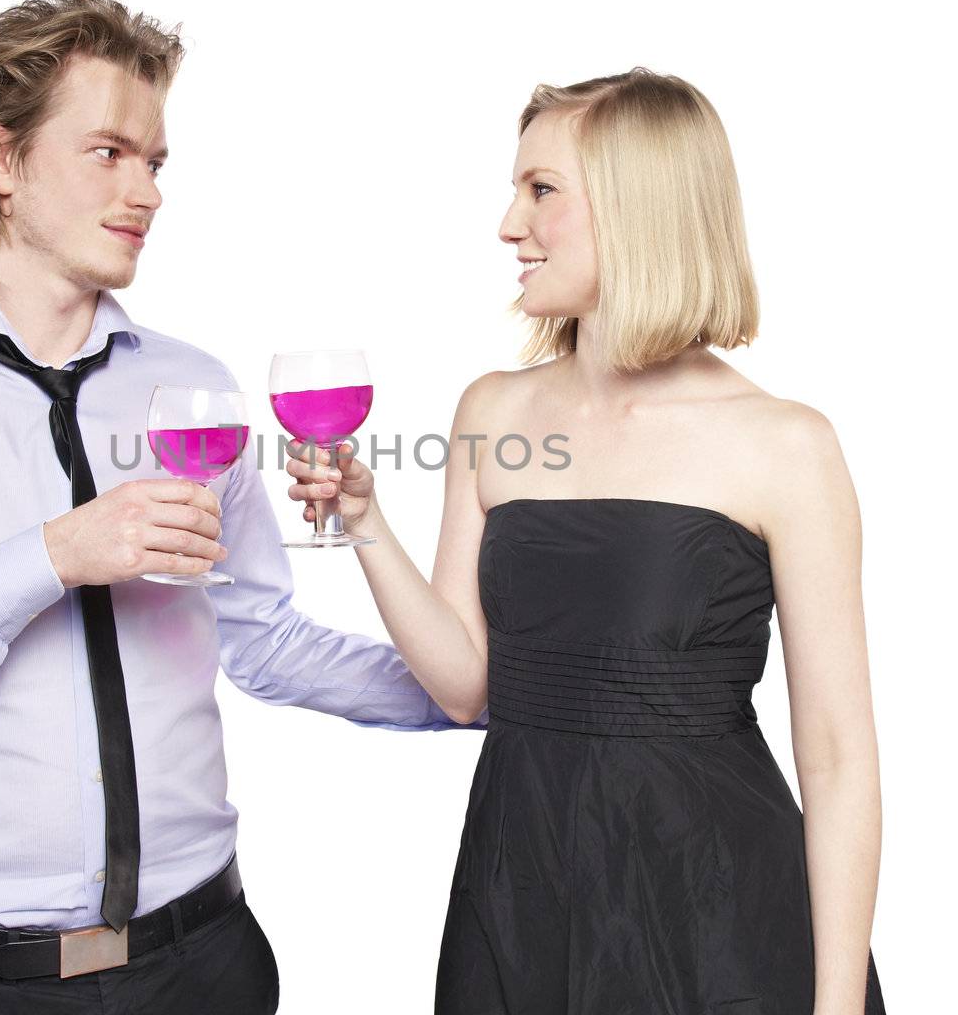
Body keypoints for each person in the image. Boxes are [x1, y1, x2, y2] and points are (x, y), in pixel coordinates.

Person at [0, 0, 473, 1015]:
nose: (147, 191)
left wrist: (483, 689)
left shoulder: (190, 387)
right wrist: (46, 556)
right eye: (108, 153)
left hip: (204, 963)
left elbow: (262, 638)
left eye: (156, 162)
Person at [284, 69, 887, 1013]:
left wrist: (839, 1004)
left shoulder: (785, 445)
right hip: (523, 893)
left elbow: (840, 755)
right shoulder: (493, 410)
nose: (508, 225)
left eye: (541, 190)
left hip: (717, 914)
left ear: (639, 206)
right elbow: (464, 685)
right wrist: (363, 518)